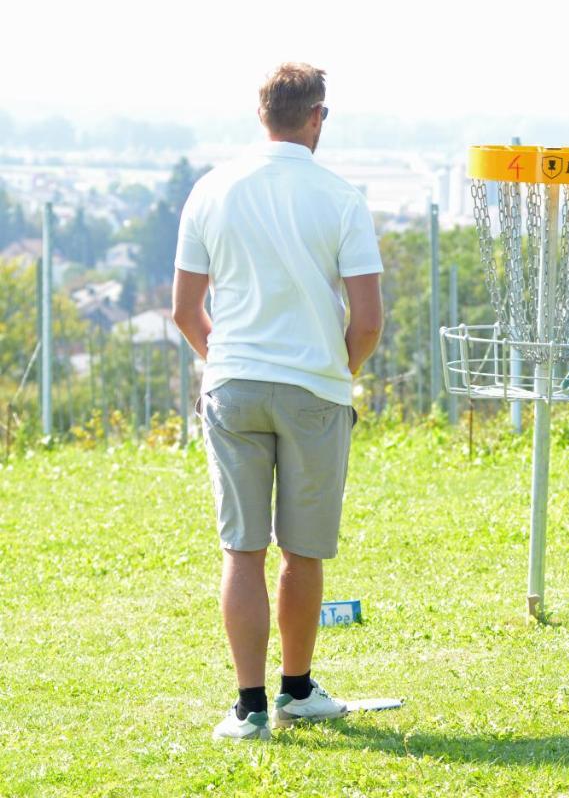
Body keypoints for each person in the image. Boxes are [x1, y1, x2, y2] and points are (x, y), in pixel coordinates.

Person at [171, 62, 384, 740]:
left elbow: (184, 309)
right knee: (303, 550)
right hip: (314, 388)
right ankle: (296, 689)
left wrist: (226, 365)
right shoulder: (342, 196)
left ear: (261, 114)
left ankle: (249, 708)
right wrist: (333, 370)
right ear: (318, 116)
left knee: (242, 550)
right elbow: (369, 319)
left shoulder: (211, 189)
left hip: (232, 383)